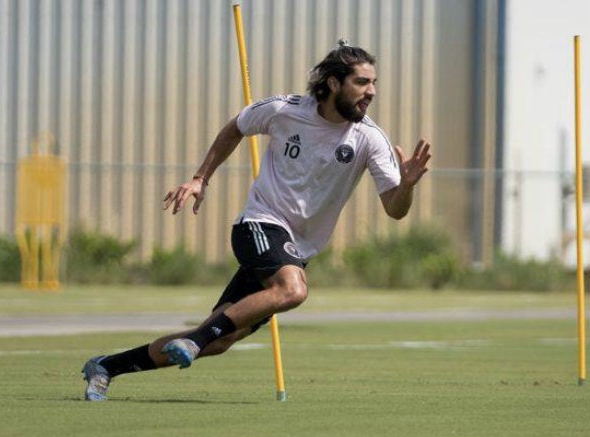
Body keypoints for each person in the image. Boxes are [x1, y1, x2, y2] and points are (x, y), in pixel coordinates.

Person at [82, 40, 431, 401]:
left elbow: (395, 208)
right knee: (293, 290)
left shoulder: (370, 138)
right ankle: (194, 340)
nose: (371, 92)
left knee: (219, 340)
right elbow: (236, 127)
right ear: (332, 83)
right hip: (259, 223)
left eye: (373, 83)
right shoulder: (284, 109)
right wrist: (201, 177)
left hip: (297, 248)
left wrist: (406, 186)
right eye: (361, 82)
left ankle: (107, 366)